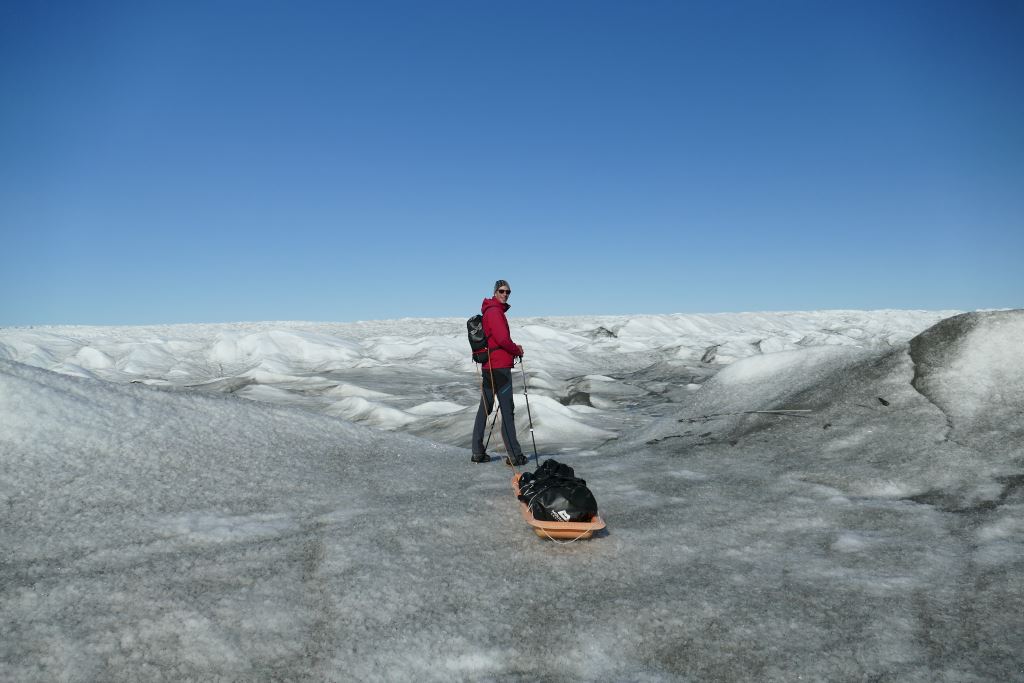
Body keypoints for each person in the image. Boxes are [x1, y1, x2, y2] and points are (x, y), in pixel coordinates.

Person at [471, 280, 528, 466]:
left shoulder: (489, 311)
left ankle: (477, 452)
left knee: (485, 409)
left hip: (489, 367)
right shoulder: (495, 312)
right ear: (495, 292)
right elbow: (503, 339)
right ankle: (515, 455)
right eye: (502, 291)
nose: (505, 294)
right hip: (499, 369)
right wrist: (516, 350)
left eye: (508, 292)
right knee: (507, 411)